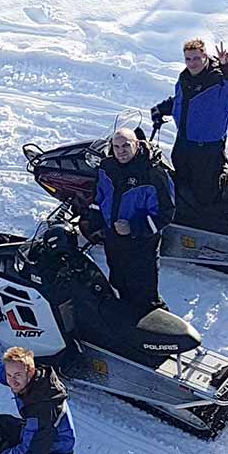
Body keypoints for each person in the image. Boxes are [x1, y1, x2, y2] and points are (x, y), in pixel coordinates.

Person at [86, 128, 175, 316]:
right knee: (118, 281)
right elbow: (99, 198)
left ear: (136, 144)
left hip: (141, 244)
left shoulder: (153, 173)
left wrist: (133, 228)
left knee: (144, 291)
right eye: (116, 147)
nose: (121, 151)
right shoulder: (106, 168)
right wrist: (95, 223)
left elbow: (165, 213)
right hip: (113, 239)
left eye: (126, 146)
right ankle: (126, 318)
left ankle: (154, 320)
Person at [151, 39, 228, 207]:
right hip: (183, 145)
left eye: (196, 58)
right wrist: (162, 109)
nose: (192, 63)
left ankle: (211, 220)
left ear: (205, 56)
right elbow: (182, 101)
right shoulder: (185, 78)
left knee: (205, 194)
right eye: (188, 59)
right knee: (182, 188)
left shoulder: (218, 81)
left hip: (207, 150)